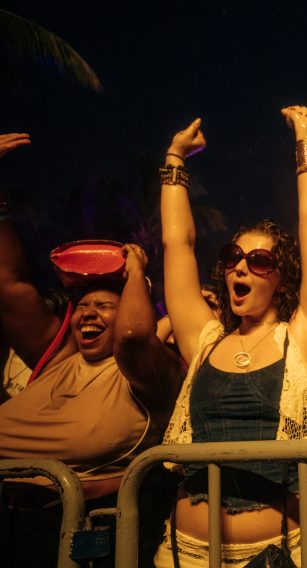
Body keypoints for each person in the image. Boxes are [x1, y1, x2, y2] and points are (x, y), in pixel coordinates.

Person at [154, 109, 307, 567]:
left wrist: (306, 140)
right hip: (187, 554)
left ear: (282, 280)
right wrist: (175, 159)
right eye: (234, 257)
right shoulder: (205, 340)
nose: (241, 268)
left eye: (260, 261)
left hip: (280, 552)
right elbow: (177, 245)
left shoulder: (303, 339)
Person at [0, 132, 184, 566]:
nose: (88, 313)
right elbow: (8, 286)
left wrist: (136, 271)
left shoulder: (147, 372)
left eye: (103, 306)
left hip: (78, 533)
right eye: (82, 305)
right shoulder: (59, 356)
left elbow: (135, 334)